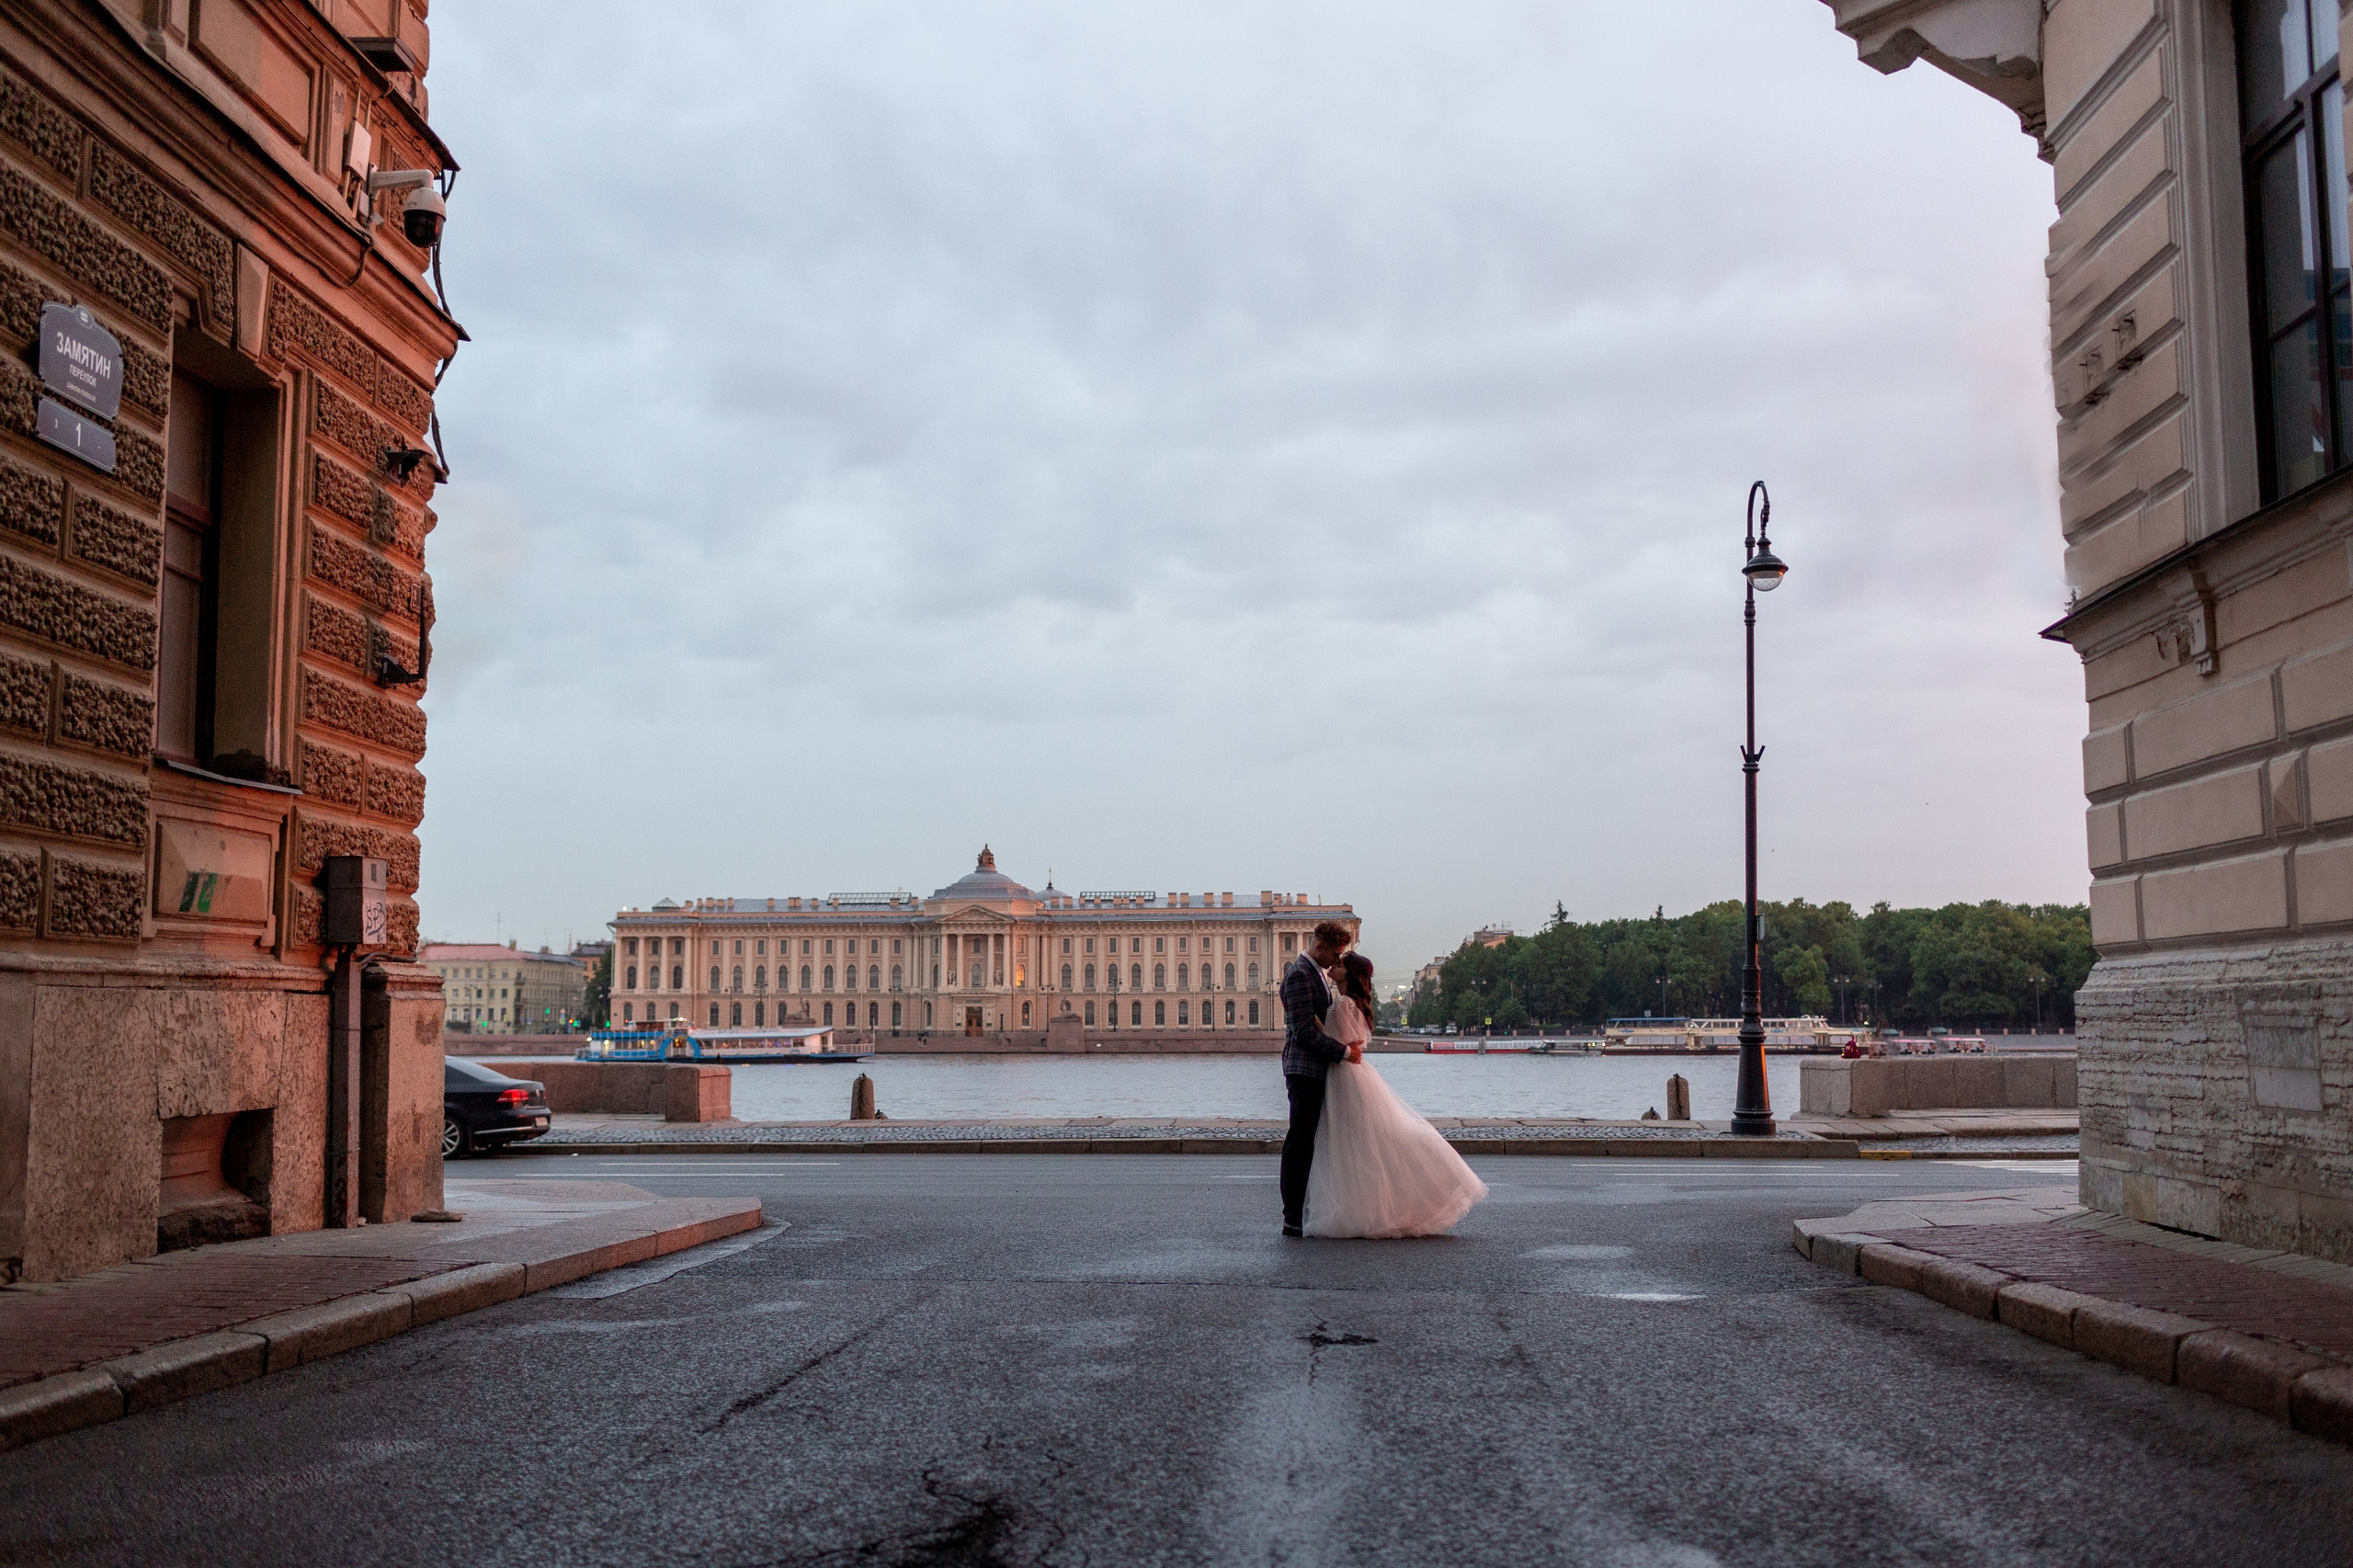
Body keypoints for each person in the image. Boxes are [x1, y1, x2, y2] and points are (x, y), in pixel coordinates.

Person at [1302, 950, 1489, 1239]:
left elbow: (1338, 1044)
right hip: (1356, 1075)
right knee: (1369, 1142)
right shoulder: (1353, 1003)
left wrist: (1316, 1025)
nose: (1334, 966)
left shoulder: (1341, 1003)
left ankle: (1363, 1209)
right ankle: (1382, 1205)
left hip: (1344, 1075)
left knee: (1353, 1145)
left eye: (1339, 964)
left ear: (1348, 974)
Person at [1278, 920, 1359, 1236]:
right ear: (1319, 945)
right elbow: (1304, 1033)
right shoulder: (1299, 974)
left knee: (1309, 1142)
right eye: (1335, 953)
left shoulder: (1317, 975)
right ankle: (1292, 1217)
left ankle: (1305, 1211)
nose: (1337, 960)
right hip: (1304, 1070)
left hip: (1316, 1070)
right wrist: (1343, 1052)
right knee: (1299, 1143)